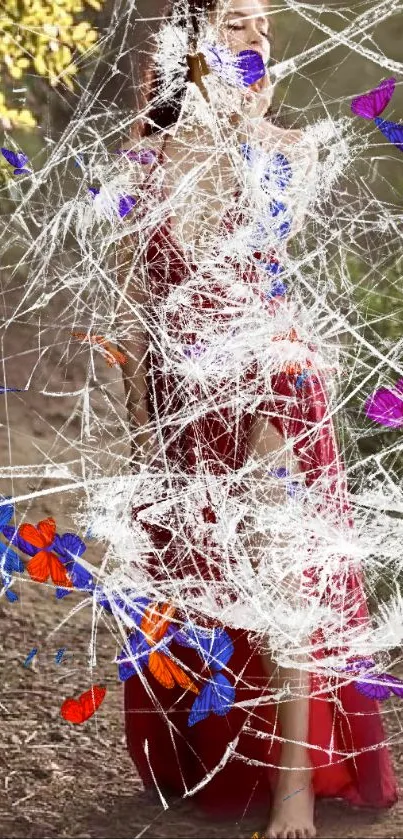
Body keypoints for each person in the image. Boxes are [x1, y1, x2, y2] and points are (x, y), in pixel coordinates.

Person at [115, 1, 398, 837]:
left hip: (268, 385)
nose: (253, 36)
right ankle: (216, 761)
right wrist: (140, 422)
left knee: (281, 578)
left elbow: (268, 258)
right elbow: (137, 300)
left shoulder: (286, 151)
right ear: (190, 41)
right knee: (200, 580)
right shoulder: (142, 159)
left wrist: (242, 123)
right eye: (232, 20)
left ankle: (294, 793)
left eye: (261, 26)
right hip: (179, 401)